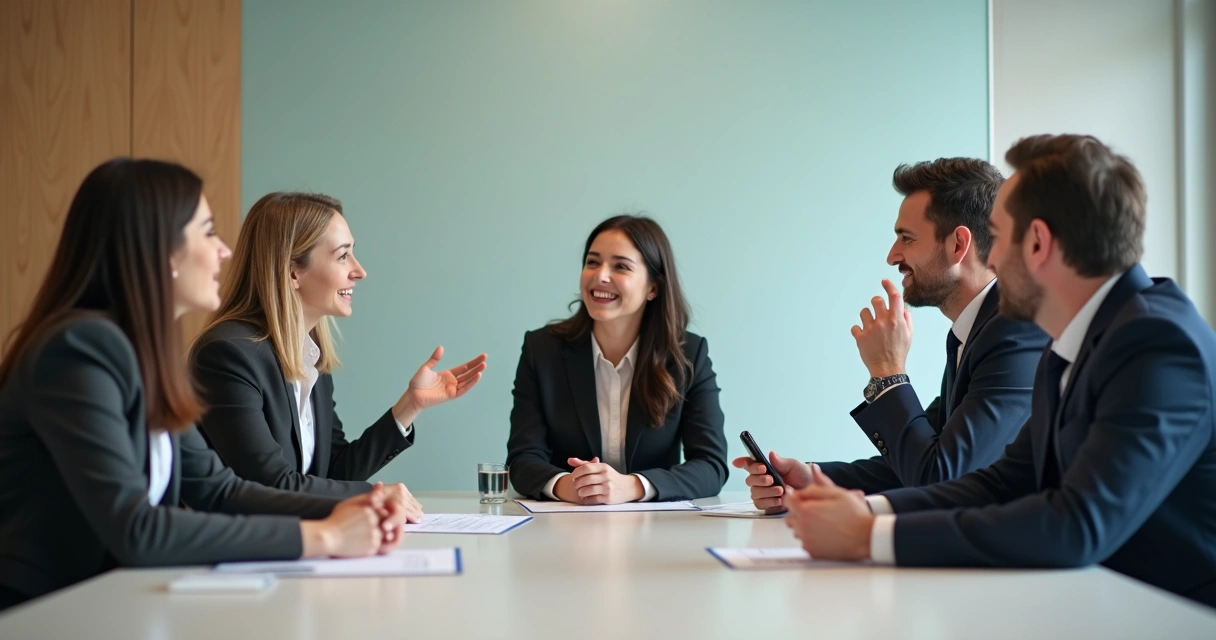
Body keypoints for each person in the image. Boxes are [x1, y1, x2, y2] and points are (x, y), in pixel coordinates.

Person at [785, 134, 1216, 609]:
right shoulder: (1074, 341)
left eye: (997, 235)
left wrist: (870, 535)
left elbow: (1076, 525)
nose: (988, 259)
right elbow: (1004, 481)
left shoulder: (1157, 343)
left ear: (1037, 243)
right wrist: (864, 509)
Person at [0, 160, 405, 611]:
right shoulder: (78, 350)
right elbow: (137, 528)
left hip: (109, 605)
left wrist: (358, 507)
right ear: (157, 248)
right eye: (207, 231)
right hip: (40, 612)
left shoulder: (142, 355)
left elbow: (219, 490)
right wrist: (324, 534)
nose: (225, 251)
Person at [734, 159, 1047, 507]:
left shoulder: (1017, 333)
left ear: (958, 245)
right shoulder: (974, 332)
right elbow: (918, 461)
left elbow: (941, 478)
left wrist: (888, 373)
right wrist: (814, 480)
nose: (892, 255)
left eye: (906, 238)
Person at [190, 192, 486, 502]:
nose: (359, 271)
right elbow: (271, 485)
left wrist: (410, 405)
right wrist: (375, 496)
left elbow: (333, 473)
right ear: (293, 272)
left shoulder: (310, 356)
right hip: (244, 549)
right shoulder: (228, 356)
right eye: (343, 256)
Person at [507, 215, 728, 504]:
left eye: (621, 266)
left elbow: (711, 466)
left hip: (656, 533)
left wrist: (633, 486)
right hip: (567, 527)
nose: (600, 276)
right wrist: (567, 485)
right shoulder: (542, 350)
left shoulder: (687, 355)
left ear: (653, 288)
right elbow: (523, 459)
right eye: (592, 262)